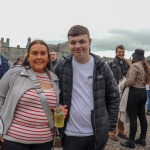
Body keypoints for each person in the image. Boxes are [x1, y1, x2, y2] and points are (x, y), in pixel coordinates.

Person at [55, 25, 120, 150]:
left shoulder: (102, 67)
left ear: (89, 42)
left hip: (96, 132)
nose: (77, 46)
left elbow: (114, 97)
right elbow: (54, 95)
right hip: (70, 132)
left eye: (82, 41)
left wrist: (111, 126)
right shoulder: (61, 67)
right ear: (68, 44)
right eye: (73, 42)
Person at [0, 40, 67, 150]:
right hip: (14, 140)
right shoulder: (14, 73)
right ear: (28, 56)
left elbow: (51, 104)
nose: (39, 57)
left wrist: (59, 109)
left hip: (45, 141)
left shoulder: (54, 78)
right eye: (35, 53)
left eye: (43, 53)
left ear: (48, 57)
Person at [120, 49, 150, 149]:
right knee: (142, 117)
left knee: (133, 118)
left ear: (135, 57)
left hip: (134, 93)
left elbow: (130, 82)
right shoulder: (145, 66)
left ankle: (131, 142)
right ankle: (142, 139)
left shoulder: (134, 66)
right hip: (143, 93)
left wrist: (124, 82)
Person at [108, 45, 130, 141]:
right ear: (116, 52)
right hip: (114, 89)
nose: (121, 53)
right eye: (119, 52)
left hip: (124, 89)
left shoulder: (127, 64)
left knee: (122, 110)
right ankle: (112, 132)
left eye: (122, 52)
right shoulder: (111, 63)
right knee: (113, 110)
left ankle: (121, 131)